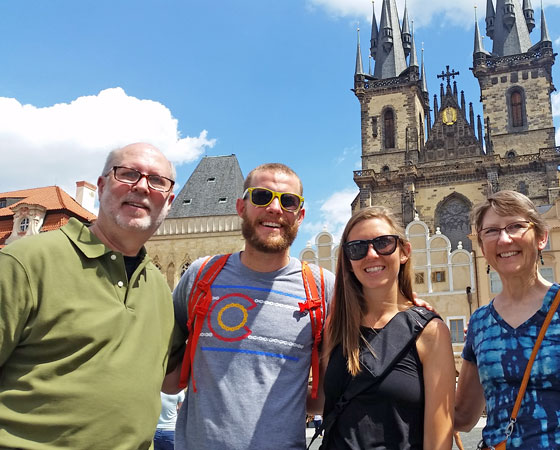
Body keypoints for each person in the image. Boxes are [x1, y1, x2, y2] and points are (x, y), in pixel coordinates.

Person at [0, 143, 177, 448]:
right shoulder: (27, 261)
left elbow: (171, 378)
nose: (142, 187)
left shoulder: (159, 286)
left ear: (169, 202)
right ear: (102, 185)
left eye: (157, 181)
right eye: (129, 174)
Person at [163, 163, 335, 450]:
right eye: (261, 197)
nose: (275, 208)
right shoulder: (200, 275)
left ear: (300, 215)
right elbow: (165, 376)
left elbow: (331, 389)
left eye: (288, 201)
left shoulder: (321, 287)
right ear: (241, 207)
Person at [454, 190, 560, 450]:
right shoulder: (480, 322)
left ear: (541, 237)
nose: (504, 239)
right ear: (481, 246)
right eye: (491, 231)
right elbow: (463, 417)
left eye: (516, 226)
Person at [321, 207, 456, 449]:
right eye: (357, 248)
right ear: (349, 262)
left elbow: (438, 442)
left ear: (404, 252)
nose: (371, 254)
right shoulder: (337, 326)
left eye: (384, 243)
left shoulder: (430, 332)